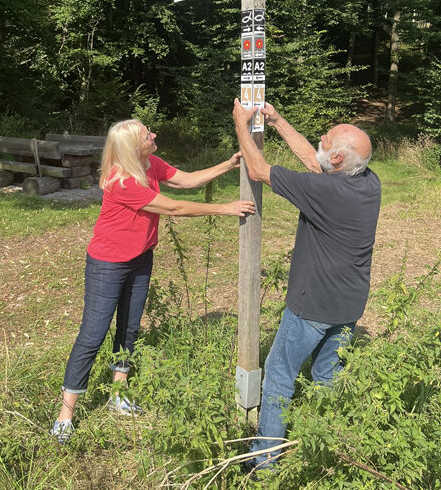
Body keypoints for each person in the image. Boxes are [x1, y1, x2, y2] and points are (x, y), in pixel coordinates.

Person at [50, 118, 255, 443]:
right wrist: (224, 208)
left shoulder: (149, 163)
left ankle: (118, 395)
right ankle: (66, 413)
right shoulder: (122, 181)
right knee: (93, 335)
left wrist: (228, 164)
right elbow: (173, 207)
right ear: (134, 146)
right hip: (108, 264)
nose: (154, 134)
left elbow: (186, 181)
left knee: (129, 328)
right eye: (148, 134)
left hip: (141, 257)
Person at [232, 99, 381, 469]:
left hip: (311, 305)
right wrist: (278, 121)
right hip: (349, 305)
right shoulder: (367, 182)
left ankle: (264, 461)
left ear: (338, 162)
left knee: (280, 375)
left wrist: (240, 123)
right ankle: (324, 446)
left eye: (327, 139)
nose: (321, 137)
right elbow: (315, 162)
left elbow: (258, 168)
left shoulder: (325, 193)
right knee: (327, 376)